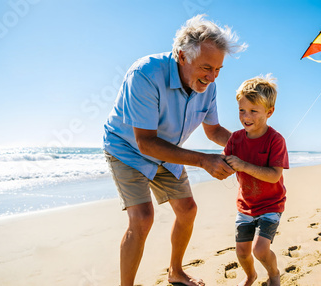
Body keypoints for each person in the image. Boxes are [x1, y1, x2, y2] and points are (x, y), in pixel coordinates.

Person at [103, 15, 246, 286]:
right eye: (206, 67)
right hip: (126, 147)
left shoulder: (208, 86)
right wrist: (204, 160)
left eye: (218, 70)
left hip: (167, 149)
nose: (212, 77)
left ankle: (176, 271)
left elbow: (213, 131)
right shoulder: (145, 74)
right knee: (143, 218)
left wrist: (250, 147)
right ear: (182, 56)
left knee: (188, 210)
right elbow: (145, 142)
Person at [224, 75, 289, 286]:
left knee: (260, 249)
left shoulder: (275, 140)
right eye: (242, 110)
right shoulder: (235, 139)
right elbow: (225, 163)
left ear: (269, 112)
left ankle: (273, 274)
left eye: (253, 111)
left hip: (271, 204)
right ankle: (251, 275)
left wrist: (243, 165)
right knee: (242, 252)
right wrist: (219, 166)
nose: (246, 116)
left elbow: (274, 175)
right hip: (245, 205)